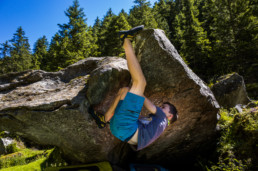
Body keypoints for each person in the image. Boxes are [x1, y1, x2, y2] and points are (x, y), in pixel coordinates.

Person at [88, 25, 178, 150]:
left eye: (164, 108)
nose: (160, 107)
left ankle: (126, 40)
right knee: (125, 91)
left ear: (170, 116)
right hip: (120, 131)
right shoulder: (156, 126)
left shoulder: (162, 118)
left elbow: (149, 106)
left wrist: (139, 90)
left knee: (141, 82)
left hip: (127, 128)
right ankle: (105, 118)